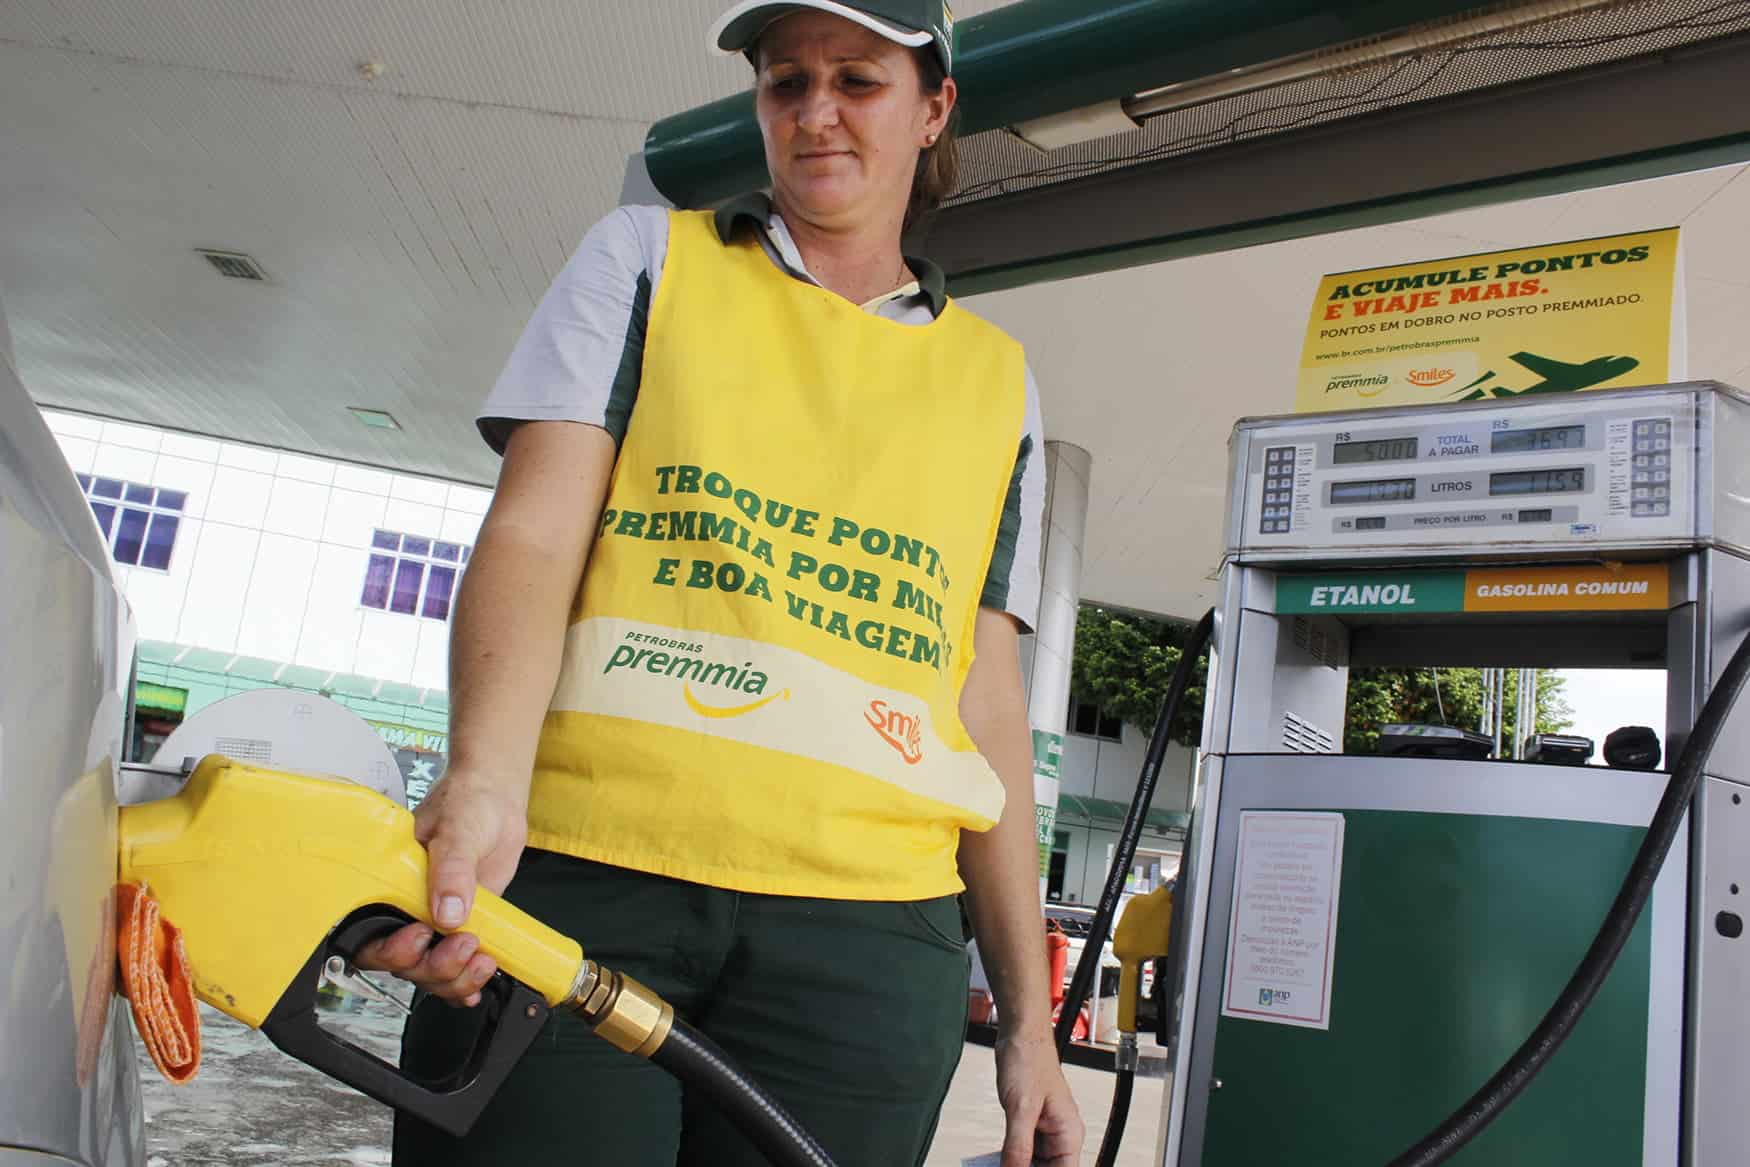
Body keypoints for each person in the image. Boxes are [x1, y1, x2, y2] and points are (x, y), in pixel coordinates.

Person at [359, 3, 1083, 1164]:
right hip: (593, 878)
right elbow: (536, 533)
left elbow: (984, 696)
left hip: (868, 943)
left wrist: (1027, 1026)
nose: (815, 113)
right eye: (785, 82)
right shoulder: (645, 258)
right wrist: (481, 784)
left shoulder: (998, 383)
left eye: (857, 80)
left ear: (935, 107)